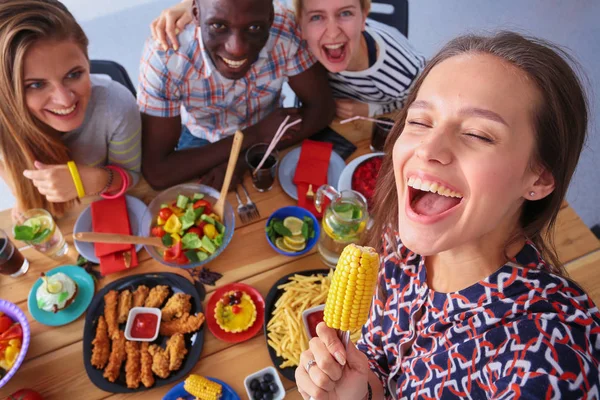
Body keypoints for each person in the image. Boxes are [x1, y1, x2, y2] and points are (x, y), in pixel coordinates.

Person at [294, 32, 600, 399]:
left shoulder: (548, 365)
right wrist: (362, 389)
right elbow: (381, 361)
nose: (428, 149)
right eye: (420, 122)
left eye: (477, 134)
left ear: (539, 177)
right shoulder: (397, 237)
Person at [138, 0, 334, 190]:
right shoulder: (165, 55)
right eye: (218, 25)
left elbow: (322, 109)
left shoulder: (285, 29)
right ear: (196, 13)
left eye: (254, 28)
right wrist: (255, 135)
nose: (237, 49)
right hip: (203, 139)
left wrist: (244, 159)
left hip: (272, 133)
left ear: (270, 16)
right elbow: (158, 173)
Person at [151, 0, 425, 120]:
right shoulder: (291, 26)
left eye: (345, 14)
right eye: (316, 17)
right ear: (300, 23)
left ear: (365, 14)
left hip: (367, 118)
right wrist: (191, 4)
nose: (331, 32)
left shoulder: (402, 71)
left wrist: (371, 110)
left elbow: (418, 107)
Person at [0, 0, 141, 219]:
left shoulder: (116, 105)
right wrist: (21, 197)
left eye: (74, 74)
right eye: (36, 85)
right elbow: (10, 173)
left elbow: (132, 175)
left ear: (87, 60)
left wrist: (92, 180)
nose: (64, 100)